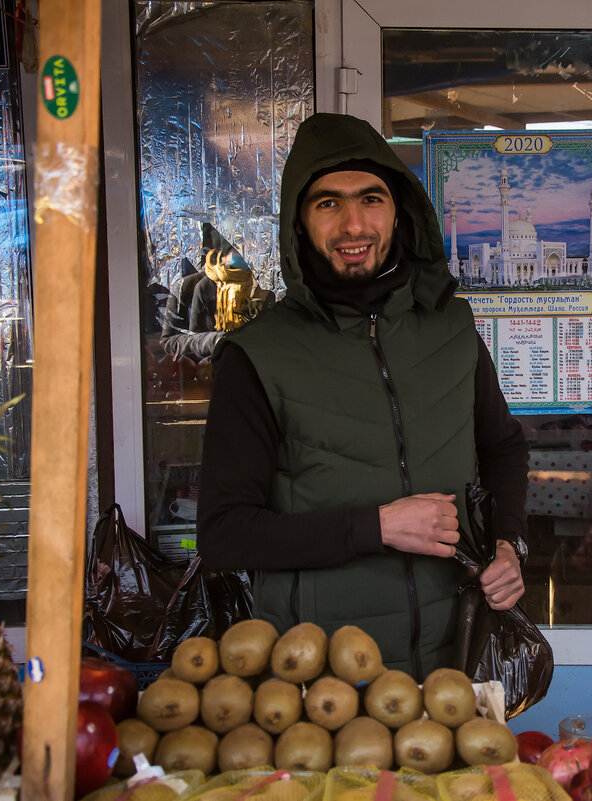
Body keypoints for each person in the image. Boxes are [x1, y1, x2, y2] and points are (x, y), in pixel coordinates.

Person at [196, 112, 530, 679]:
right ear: (299, 222)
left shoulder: (450, 328)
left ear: (399, 212)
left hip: (455, 657)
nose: (354, 225)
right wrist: (376, 527)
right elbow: (225, 535)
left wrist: (508, 544)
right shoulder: (258, 356)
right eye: (328, 203)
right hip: (322, 675)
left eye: (371, 199)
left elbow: (503, 447)